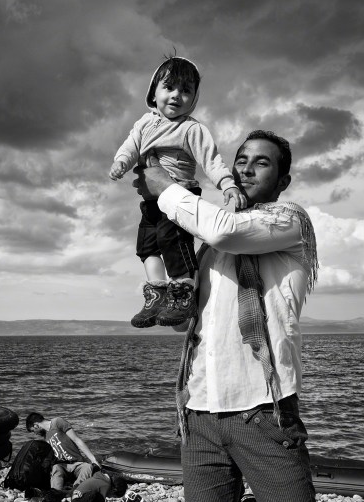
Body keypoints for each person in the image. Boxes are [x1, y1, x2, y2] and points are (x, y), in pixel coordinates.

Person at [132, 130, 318, 502]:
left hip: (263, 410)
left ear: (283, 181)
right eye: (241, 161)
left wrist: (165, 187)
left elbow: (223, 230)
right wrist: (159, 278)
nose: (246, 170)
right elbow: (186, 324)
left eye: (261, 162)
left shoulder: (287, 221)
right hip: (199, 413)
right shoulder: (208, 251)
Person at [110, 55, 245, 328]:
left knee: (175, 245)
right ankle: (157, 294)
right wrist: (121, 162)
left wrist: (227, 184)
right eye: (169, 87)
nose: (176, 96)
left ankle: (183, 292)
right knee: (147, 247)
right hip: (150, 202)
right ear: (153, 92)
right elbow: (130, 145)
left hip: (180, 197)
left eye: (186, 91)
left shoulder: (191, 129)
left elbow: (211, 160)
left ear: (194, 98)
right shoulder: (143, 124)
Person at [25, 412, 99, 491]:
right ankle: (56, 493)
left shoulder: (57, 422)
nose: (35, 434)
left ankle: (76, 490)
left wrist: (93, 460)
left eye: (33, 431)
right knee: (56, 468)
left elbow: (77, 440)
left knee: (87, 467)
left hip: (77, 462)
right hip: (62, 465)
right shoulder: (45, 436)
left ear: (36, 425)